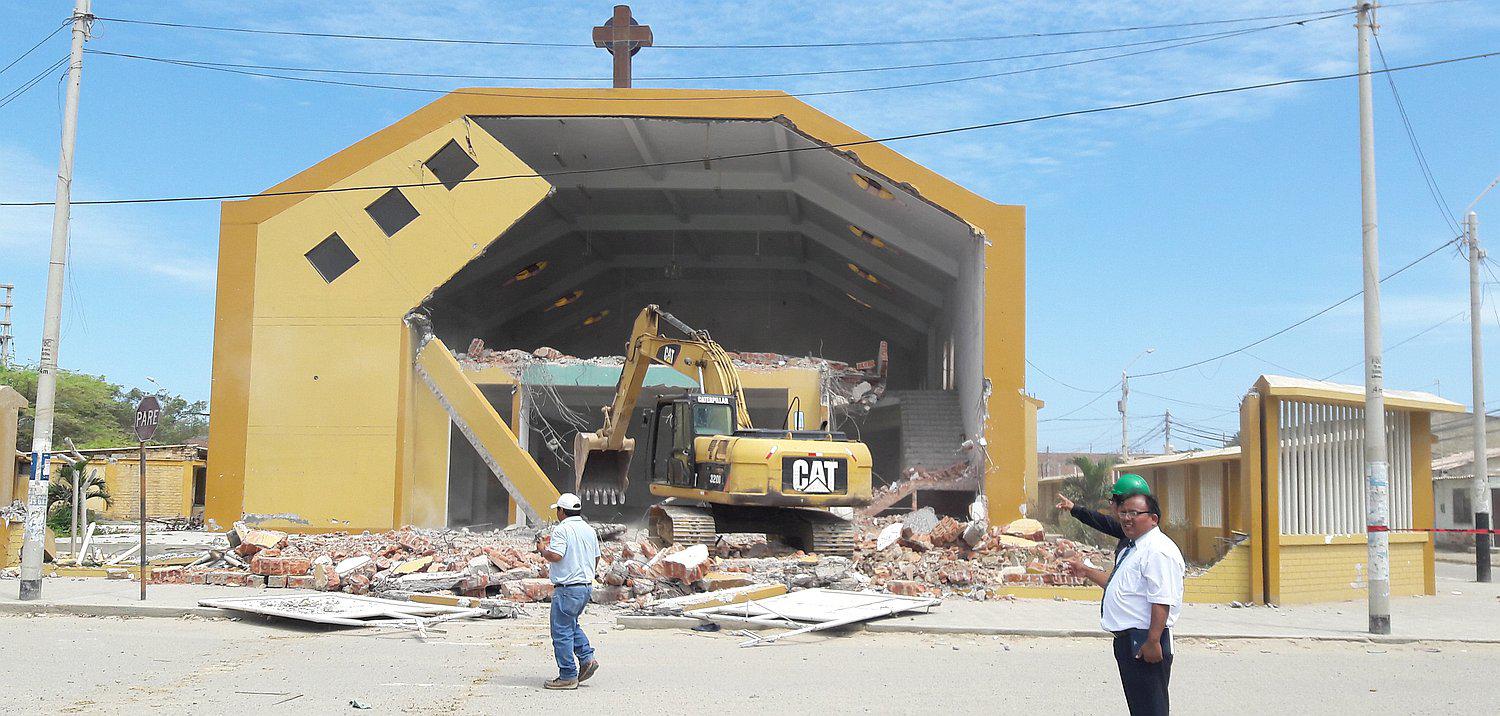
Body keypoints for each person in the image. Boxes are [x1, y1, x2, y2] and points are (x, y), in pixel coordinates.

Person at [1066, 493, 1184, 715]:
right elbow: (1117, 587)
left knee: (1151, 709)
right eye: (1124, 513)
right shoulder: (1134, 548)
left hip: (1144, 640)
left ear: (1153, 519)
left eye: (1134, 513)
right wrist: (1086, 571)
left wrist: (1152, 641)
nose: (1127, 518)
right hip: (1129, 640)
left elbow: (1162, 599)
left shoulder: (1158, 550)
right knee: (1141, 709)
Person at [537, 492, 601, 690]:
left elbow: (556, 555)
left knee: (561, 631)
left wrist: (543, 550)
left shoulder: (562, 529)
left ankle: (567, 675)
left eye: (558, 510)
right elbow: (596, 557)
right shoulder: (589, 530)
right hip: (585, 587)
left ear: (562, 511)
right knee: (570, 625)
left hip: (568, 588)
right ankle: (587, 658)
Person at [1055, 472, 1152, 561]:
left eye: (1112, 501)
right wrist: (1073, 508)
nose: (1111, 506)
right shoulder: (1130, 533)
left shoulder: (1152, 552)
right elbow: (1100, 520)